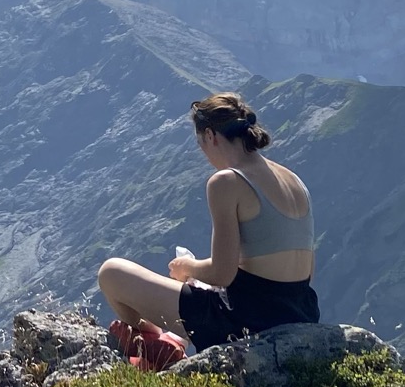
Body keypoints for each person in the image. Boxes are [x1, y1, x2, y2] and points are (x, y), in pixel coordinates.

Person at [96, 92, 321, 369]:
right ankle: (162, 340)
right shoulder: (294, 180)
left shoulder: (226, 182)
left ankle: (156, 339)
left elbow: (222, 274)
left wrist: (186, 267)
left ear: (211, 136)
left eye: (201, 143)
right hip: (302, 313)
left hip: (245, 322)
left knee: (111, 273)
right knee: (199, 286)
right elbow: (308, 272)